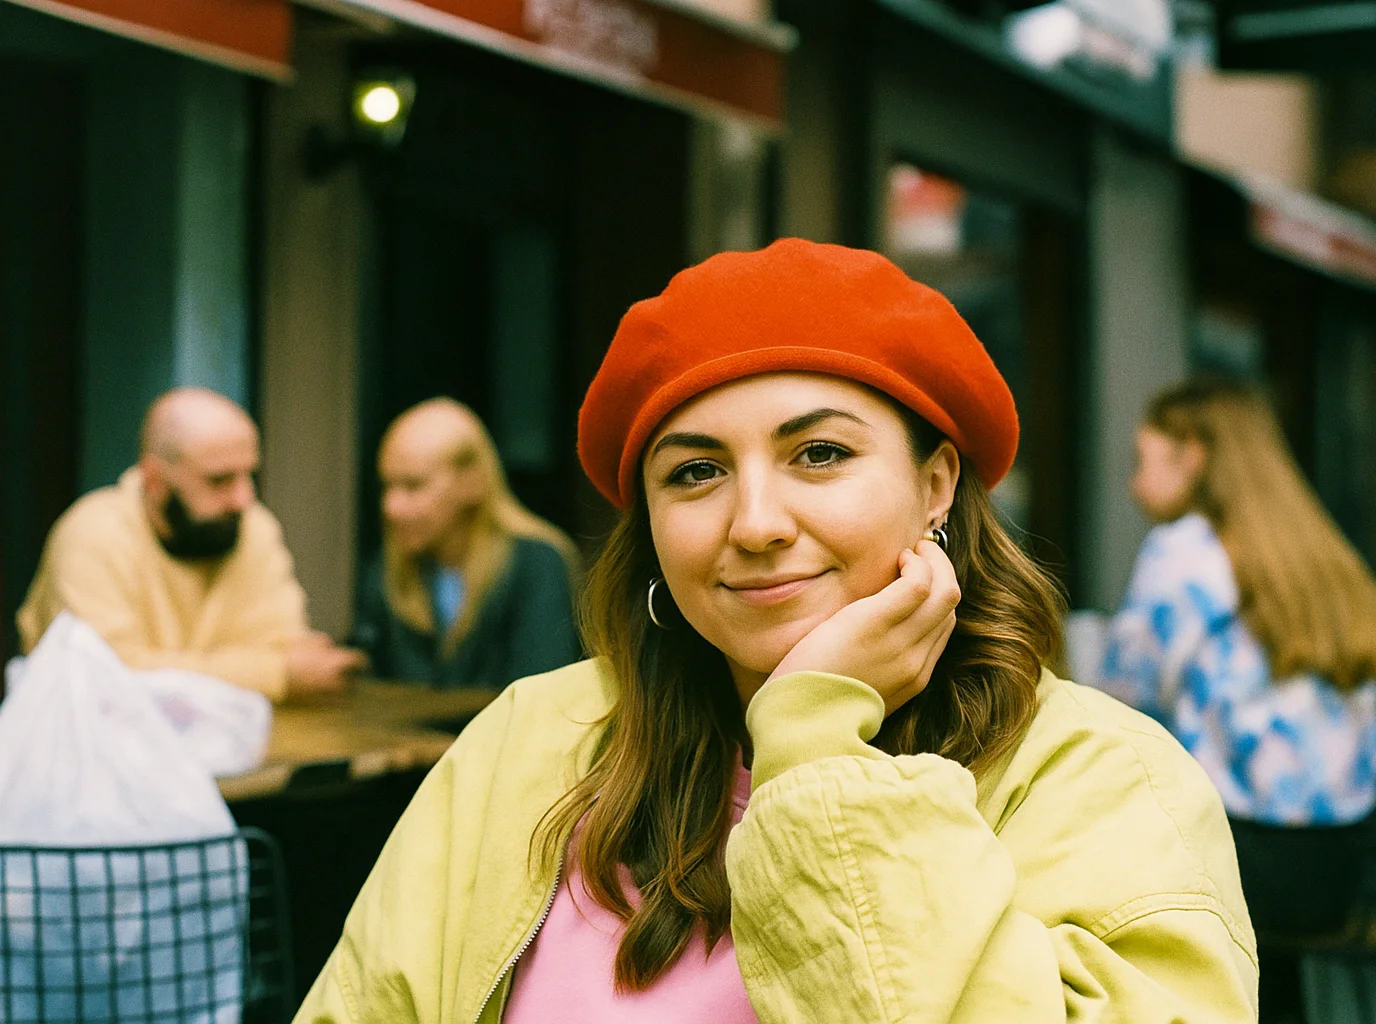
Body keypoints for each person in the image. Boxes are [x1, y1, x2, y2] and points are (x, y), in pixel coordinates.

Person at [296, 240, 1256, 1024]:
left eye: (821, 454)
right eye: (696, 472)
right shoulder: (528, 739)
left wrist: (816, 744)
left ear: (935, 485)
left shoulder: (1100, 774)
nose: (755, 523)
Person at [1091, 376, 1376, 1023]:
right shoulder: (1316, 550)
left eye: (1139, 463)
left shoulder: (1185, 552)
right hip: (1344, 862)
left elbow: (1120, 703)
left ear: (1193, 454)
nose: (1131, 486)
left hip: (1251, 867)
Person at [17, 387, 364, 701]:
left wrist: (173, 670)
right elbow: (106, 679)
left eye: (249, 475)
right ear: (154, 480)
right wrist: (273, 675)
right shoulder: (92, 536)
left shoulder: (252, 527)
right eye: (220, 480)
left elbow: (283, 643)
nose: (244, 499)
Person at [352, 398, 581, 688]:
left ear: (472, 480)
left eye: (413, 485)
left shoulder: (537, 565)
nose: (391, 507)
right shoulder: (386, 572)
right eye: (387, 486)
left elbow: (543, 694)